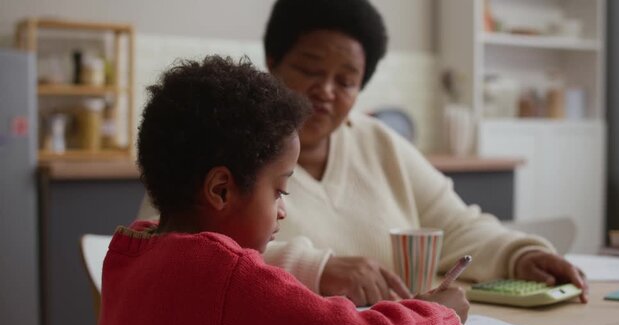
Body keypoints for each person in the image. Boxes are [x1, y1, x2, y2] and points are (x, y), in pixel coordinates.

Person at [137, 0, 587, 306]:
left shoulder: (380, 144)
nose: (325, 91)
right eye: (310, 70)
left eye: (347, 80)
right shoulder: (209, 149)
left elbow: (455, 228)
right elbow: (178, 254)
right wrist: (318, 269)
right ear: (272, 62)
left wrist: (519, 255)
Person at [95, 55, 468, 325]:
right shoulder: (231, 278)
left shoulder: (130, 252)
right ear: (221, 190)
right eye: (279, 191)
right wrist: (441, 314)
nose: (282, 212)